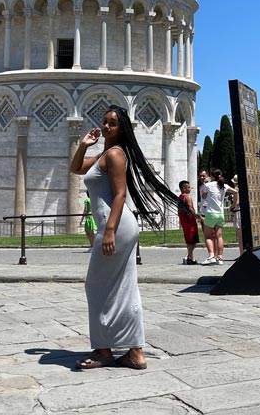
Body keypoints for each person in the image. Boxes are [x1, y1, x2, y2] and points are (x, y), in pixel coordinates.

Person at [70, 105, 180, 371]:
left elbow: (120, 194)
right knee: (123, 286)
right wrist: (84, 144)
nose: (106, 126)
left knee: (95, 286)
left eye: (113, 123)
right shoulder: (103, 154)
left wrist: (108, 231)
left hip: (115, 226)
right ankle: (135, 352)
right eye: (105, 121)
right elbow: (76, 168)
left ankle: (105, 350)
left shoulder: (116, 155)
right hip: (117, 225)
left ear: (122, 130)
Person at [200, 169, 238, 265]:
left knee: (208, 236)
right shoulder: (224, 185)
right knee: (219, 236)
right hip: (220, 213)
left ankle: (211, 255)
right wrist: (233, 205)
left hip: (210, 213)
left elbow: (203, 197)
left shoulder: (208, 185)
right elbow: (236, 192)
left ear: (212, 177)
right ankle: (220, 257)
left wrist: (206, 189)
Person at [177, 180, 199, 264]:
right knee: (193, 241)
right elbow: (190, 208)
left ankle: (191, 259)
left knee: (189, 241)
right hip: (190, 221)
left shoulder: (180, 197)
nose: (190, 189)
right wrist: (196, 216)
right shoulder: (187, 197)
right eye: (189, 187)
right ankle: (186, 256)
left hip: (184, 221)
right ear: (184, 188)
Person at [230, 175, 243, 255]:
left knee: (240, 235)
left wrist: (231, 207)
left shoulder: (236, 189)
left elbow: (236, 202)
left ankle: (242, 253)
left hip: (238, 211)